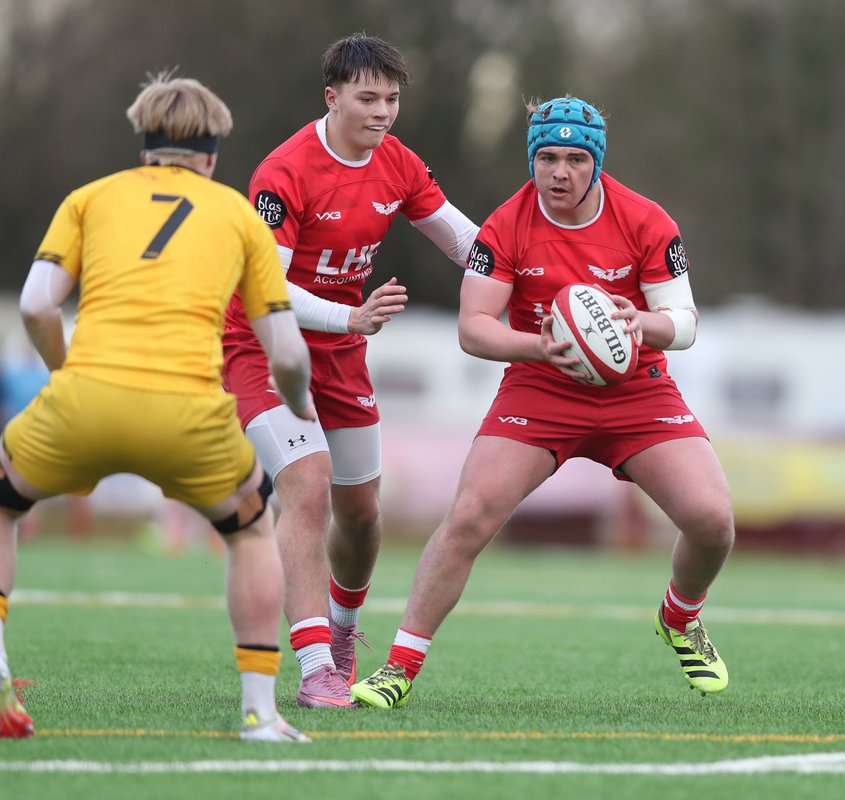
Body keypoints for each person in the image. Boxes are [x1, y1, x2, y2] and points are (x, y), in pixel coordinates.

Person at [350, 95, 736, 709]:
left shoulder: (646, 221)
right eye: (547, 157)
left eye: (576, 160)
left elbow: (684, 321)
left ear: (596, 164)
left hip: (636, 389)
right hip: (540, 385)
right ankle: (398, 668)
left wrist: (643, 324)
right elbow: (474, 327)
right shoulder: (506, 225)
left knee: (713, 521)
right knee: (470, 516)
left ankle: (680, 617)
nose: (559, 173)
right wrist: (540, 347)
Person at [0, 73, 315, 741]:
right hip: (189, 417)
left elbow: (34, 305)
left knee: (3, 503)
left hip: (81, 404)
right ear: (211, 154)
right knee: (252, 531)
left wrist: (66, 372)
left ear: (144, 149)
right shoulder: (236, 213)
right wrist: (300, 404)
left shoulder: (90, 198)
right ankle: (259, 713)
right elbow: (286, 353)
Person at [221, 33, 479, 709]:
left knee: (361, 515)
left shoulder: (396, 161)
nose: (384, 112)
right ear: (332, 97)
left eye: (393, 98)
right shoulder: (284, 174)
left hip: (340, 353)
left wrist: (537, 281)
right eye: (369, 98)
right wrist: (350, 318)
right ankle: (316, 671)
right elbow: (265, 289)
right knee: (306, 488)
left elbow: (462, 240)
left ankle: (341, 631)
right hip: (265, 347)